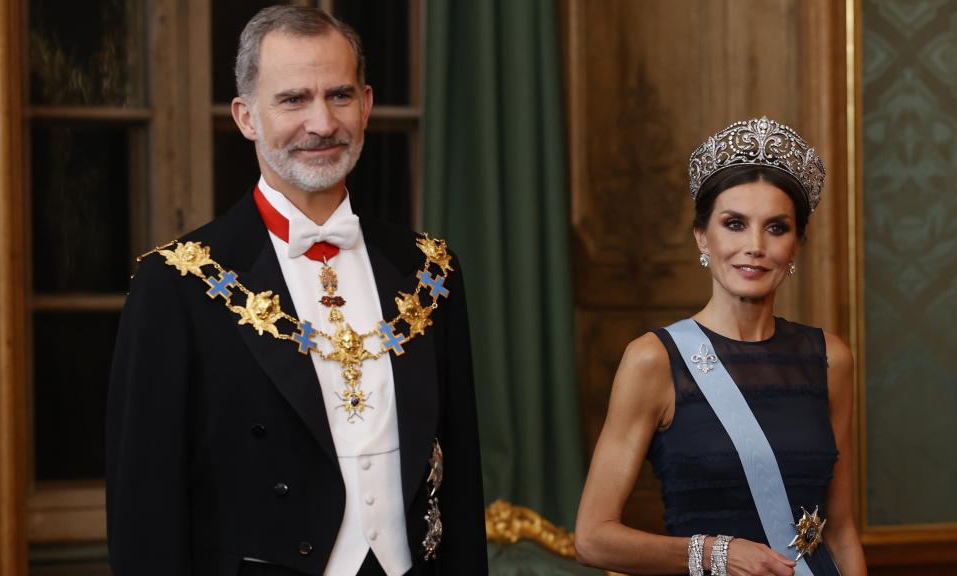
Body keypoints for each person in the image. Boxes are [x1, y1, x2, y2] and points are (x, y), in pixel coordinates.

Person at [106, 6, 486, 575]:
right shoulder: (178, 283)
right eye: (292, 100)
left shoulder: (428, 270)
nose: (322, 123)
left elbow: (459, 476)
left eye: (339, 95)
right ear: (246, 116)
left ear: (367, 104)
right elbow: (144, 512)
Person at [574, 117, 866, 575]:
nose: (754, 245)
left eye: (776, 228)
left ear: (797, 246)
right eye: (734, 223)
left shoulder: (831, 359)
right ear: (702, 237)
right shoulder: (653, 360)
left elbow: (842, 530)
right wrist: (714, 553)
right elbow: (592, 539)